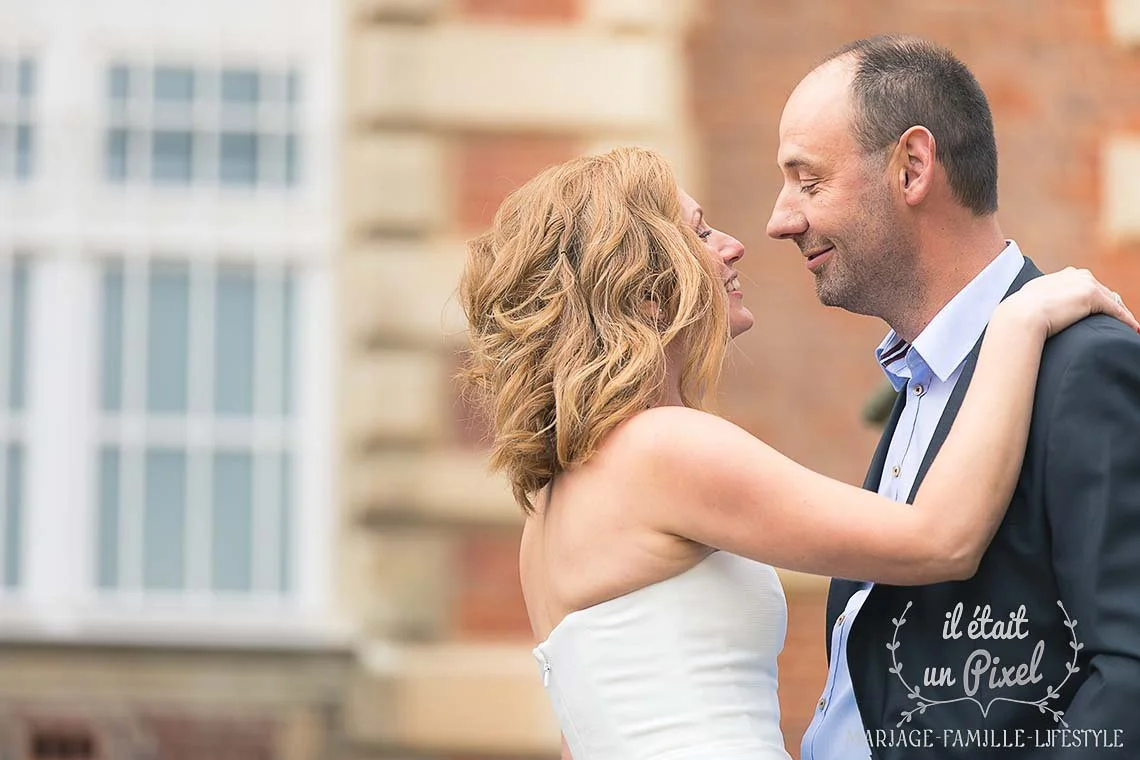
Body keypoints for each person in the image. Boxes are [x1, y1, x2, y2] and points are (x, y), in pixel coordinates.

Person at [457, 146, 1136, 760]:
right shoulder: (662, 448)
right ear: (639, 277)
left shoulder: (550, 507)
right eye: (697, 232)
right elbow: (940, 538)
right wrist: (1017, 320)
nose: (732, 246)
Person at [766, 36, 1140, 759]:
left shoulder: (1086, 370)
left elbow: (1129, 672)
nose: (781, 219)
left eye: (808, 182)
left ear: (911, 167)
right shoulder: (917, 382)